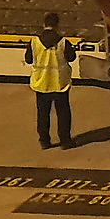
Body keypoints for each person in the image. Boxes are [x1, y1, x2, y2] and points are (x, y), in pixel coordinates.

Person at [28, 16, 76, 149]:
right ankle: (65, 141)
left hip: (41, 83)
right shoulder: (63, 42)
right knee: (63, 113)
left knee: (43, 114)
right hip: (60, 83)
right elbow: (71, 57)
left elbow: (28, 59)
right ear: (57, 25)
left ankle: (44, 141)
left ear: (44, 24)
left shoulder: (34, 42)